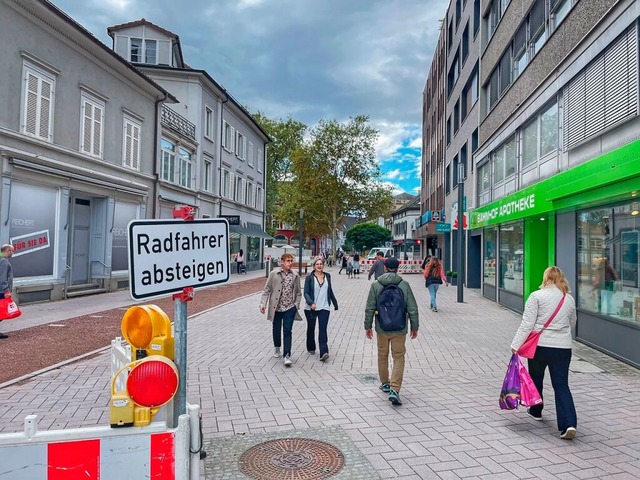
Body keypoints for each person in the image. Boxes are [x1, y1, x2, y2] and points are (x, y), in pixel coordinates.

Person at [510, 266, 578, 440]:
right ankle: (568, 424)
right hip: (563, 348)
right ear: (560, 278)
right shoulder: (568, 299)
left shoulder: (536, 296)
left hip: (540, 346)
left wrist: (516, 344)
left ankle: (536, 410)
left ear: (545, 278)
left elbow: (527, 324)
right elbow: (573, 322)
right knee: (561, 385)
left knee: (536, 379)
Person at [364, 257, 419, 406]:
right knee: (399, 357)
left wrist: (367, 326)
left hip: (382, 327)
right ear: (398, 268)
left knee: (382, 355)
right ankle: (395, 388)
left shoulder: (376, 285)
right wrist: (415, 327)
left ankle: (385, 383)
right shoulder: (404, 285)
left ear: (385, 268)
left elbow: (370, 307)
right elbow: (412, 308)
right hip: (400, 327)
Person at [259, 252, 302, 366]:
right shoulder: (274, 274)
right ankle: (277, 348)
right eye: (288, 261)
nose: (290, 263)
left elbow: (298, 292)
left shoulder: (295, 275)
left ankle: (287, 355)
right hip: (276, 308)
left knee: (287, 331)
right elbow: (266, 290)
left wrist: (296, 304)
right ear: (282, 262)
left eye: (291, 261)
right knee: (276, 329)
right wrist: (262, 304)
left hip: (289, 308)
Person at [303, 256, 339, 361]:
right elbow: (306, 292)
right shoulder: (309, 278)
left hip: (324, 306)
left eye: (321, 264)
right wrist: (311, 303)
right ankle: (311, 347)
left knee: (322, 329)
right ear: (314, 266)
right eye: (317, 264)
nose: (319, 266)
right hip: (311, 307)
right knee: (311, 328)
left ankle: (324, 352)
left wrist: (335, 303)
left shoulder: (327, 276)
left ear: (323, 265)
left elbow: (329, 290)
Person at [0, 244, 15, 339]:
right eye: (12, 251)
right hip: (1, 290)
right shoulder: (4, 261)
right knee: (2, 311)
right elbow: (2, 278)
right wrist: (6, 290)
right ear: (7, 251)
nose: (12, 253)